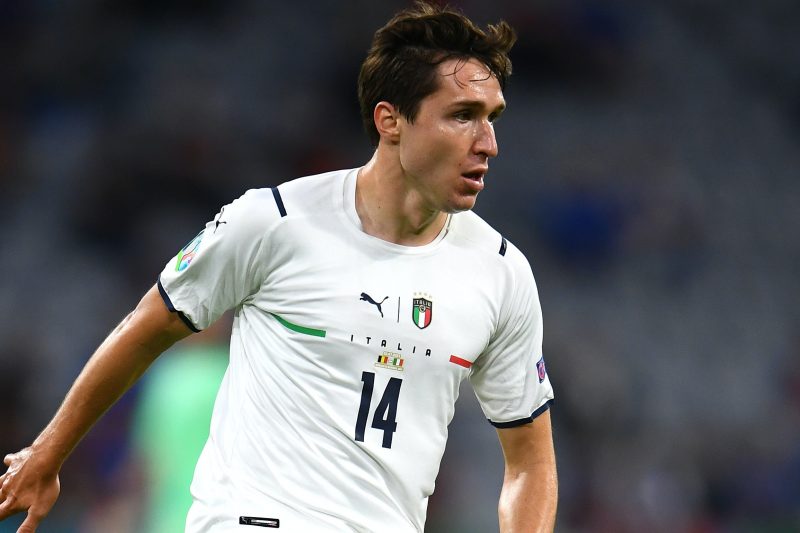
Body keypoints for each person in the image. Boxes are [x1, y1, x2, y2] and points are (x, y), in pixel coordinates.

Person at [0, 2, 557, 531]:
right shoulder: (275, 221)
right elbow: (150, 323)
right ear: (391, 120)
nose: (489, 143)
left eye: (492, 119)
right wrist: (48, 453)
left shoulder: (500, 274)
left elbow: (531, 462)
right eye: (463, 116)